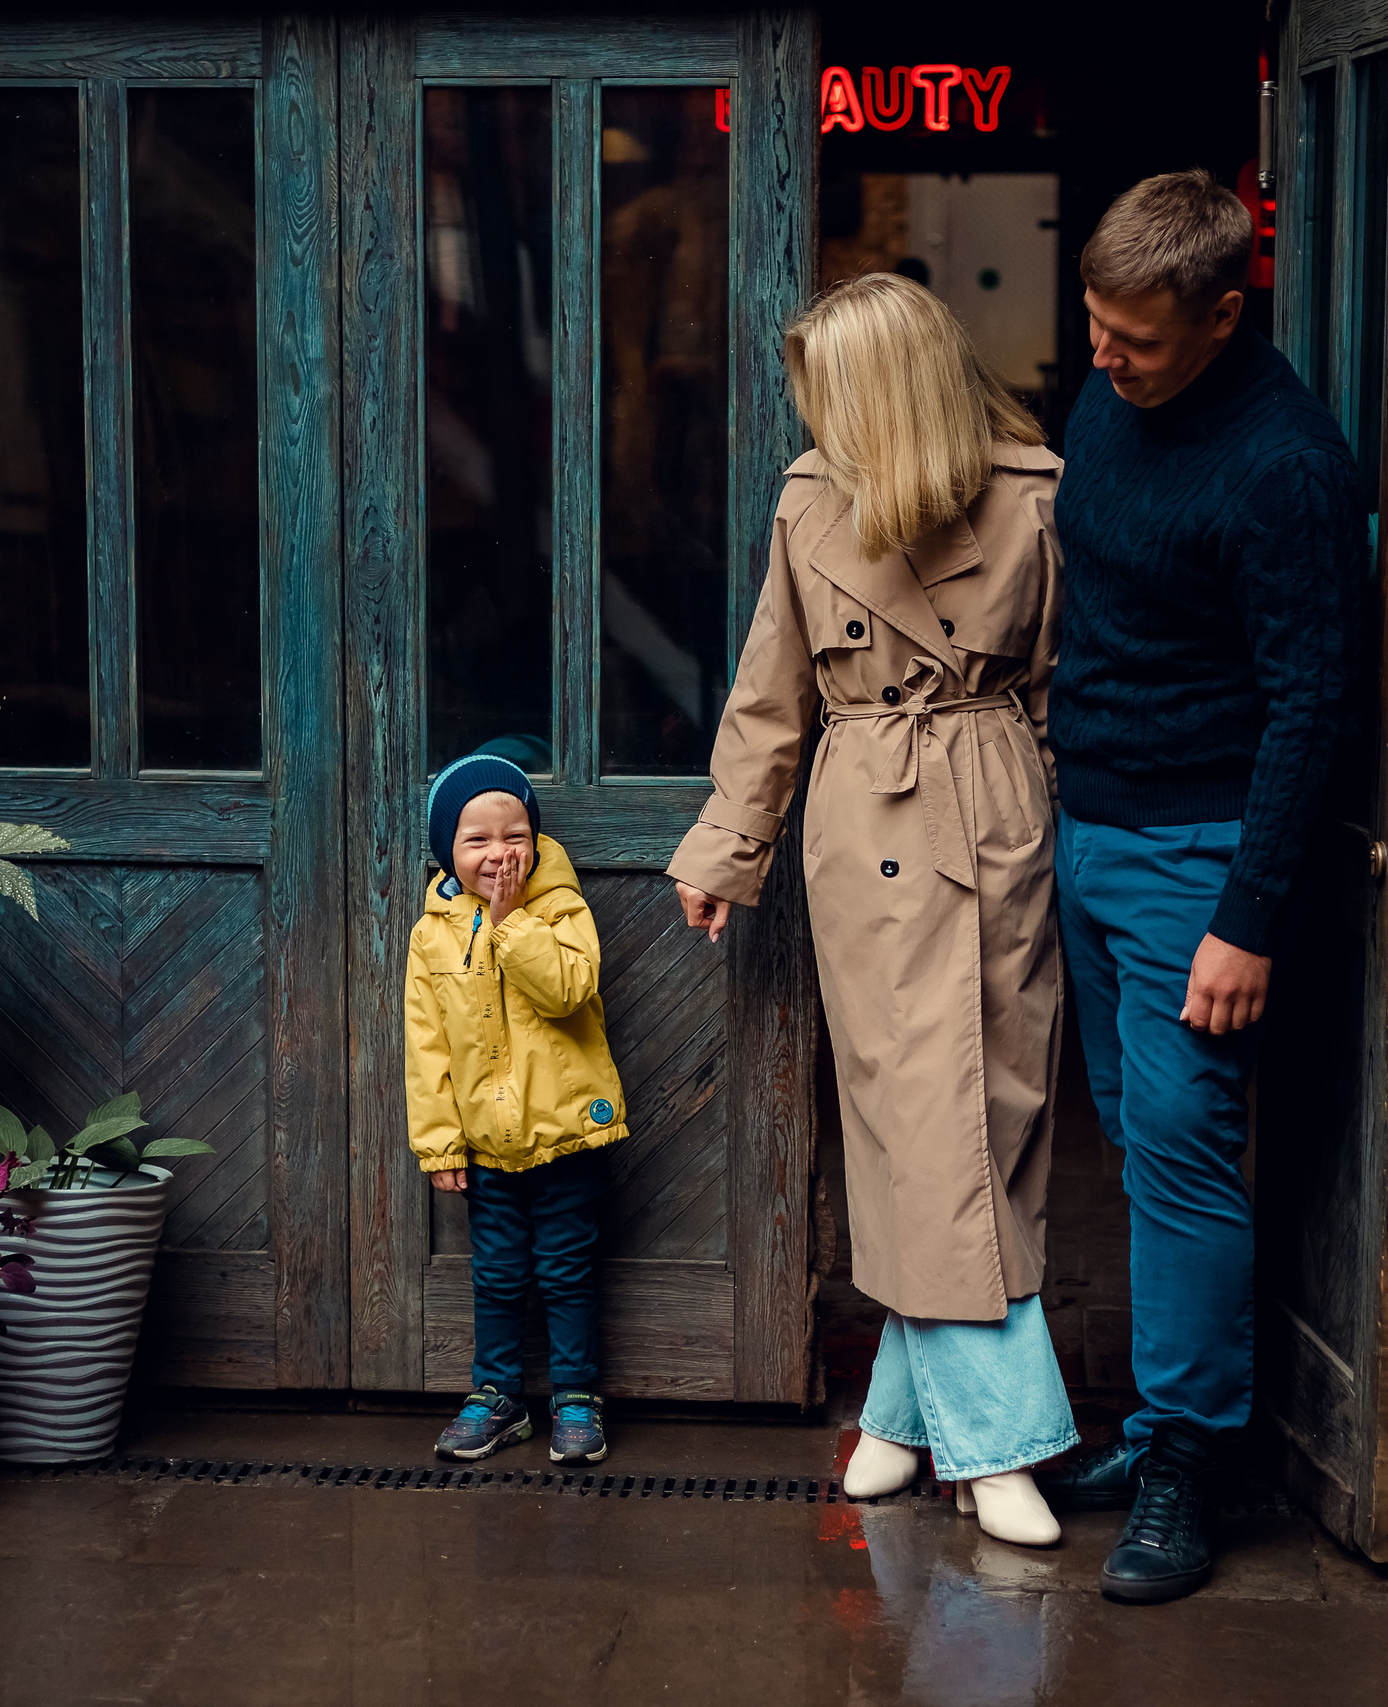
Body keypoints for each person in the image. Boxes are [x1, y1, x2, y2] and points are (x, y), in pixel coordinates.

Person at [669, 273, 1074, 1548]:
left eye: (832, 392)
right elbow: (770, 688)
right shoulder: (811, 498)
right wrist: (728, 844)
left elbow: (1068, 687)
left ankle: (900, 1419)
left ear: (890, 392)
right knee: (915, 1125)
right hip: (869, 831)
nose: (814, 416)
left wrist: (1056, 825)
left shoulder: (1035, 495)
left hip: (993, 813)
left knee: (985, 1122)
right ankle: (998, 1446)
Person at [1033, 170, 1369, 1603]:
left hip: (1196, 854)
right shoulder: (1112, 398)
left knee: (1179, 1147)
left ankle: (1189, 1459)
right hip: (1089, 825)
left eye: (1137, 339)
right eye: (1094, 326)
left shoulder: (1286, 468)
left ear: (1225, 315)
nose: (1102, 358)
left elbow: (1313, 706)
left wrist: (1246, 914)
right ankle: (1164, 1423)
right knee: (1136, 1135)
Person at [405, 753, 630, 1466]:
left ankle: (576, 1396)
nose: (499, 853)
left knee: (566, 1271)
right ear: (447, 850)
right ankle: (497, 1396)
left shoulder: (559, 908)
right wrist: (441, 1145)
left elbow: (568, 990)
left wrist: (510, 922)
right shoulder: (431, 934)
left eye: (516, 836)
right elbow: (427, 1048)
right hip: (486, 1146)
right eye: (477, 839)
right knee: (497, 1276)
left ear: (536, 842)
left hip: (567, 1137)